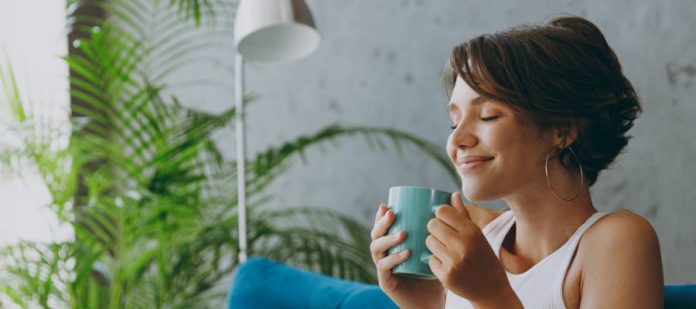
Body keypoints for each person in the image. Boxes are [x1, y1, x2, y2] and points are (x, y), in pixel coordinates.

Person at [369, 15, 663, 308]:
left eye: (488, 116)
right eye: (454, 122)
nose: (457, 140)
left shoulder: (618, 241)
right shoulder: (474, 236)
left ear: (561, 129)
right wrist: (426, 303)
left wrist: (491, 296)